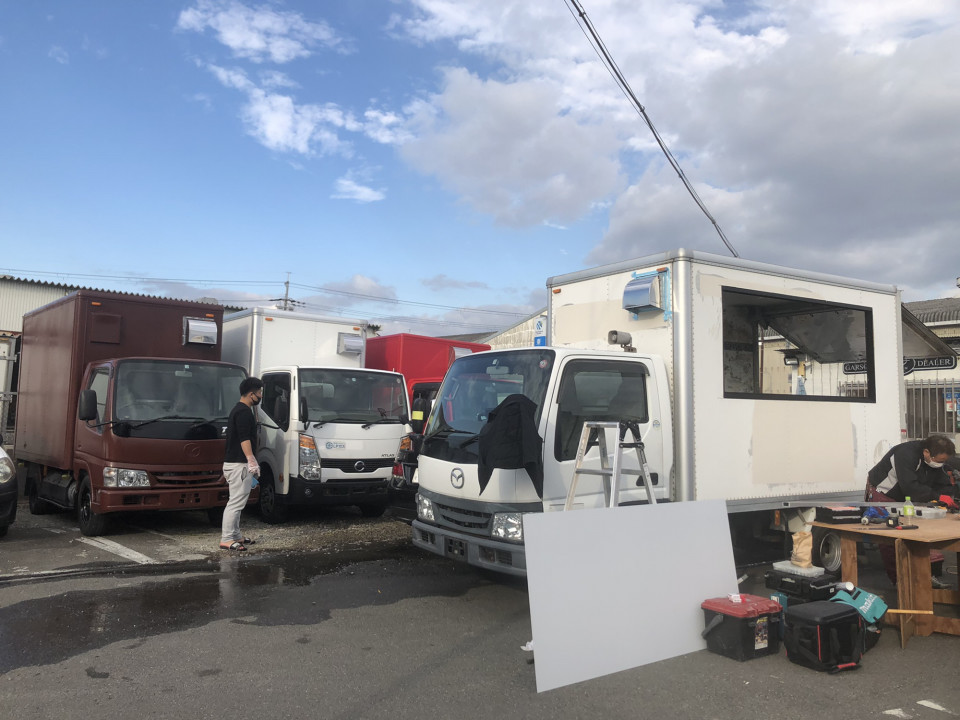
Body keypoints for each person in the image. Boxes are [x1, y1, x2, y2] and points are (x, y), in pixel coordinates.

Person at [865, 434, 956, 587]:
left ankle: (924, 577)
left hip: (907, 497)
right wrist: (937, 496)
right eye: (940, 461)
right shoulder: (905, 454)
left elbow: (941, 481)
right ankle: (900, 582)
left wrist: (949, 497)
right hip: (885, 493)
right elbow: (910, 486)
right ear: (927, 452)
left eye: (944, 461)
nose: (941, 464)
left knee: (920, 533)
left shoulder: (933, 460)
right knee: (890, 538)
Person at [220, 376, 263, 552]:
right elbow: (244, 438)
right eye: (259, 393)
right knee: (236, 503)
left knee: (237, 500)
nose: (261, 396)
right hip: (239, 464)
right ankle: (227, 538)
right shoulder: (244, 412)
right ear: (251, 394)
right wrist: (251, 459)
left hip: (234, 463)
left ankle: (236, 535)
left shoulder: (237, 410)